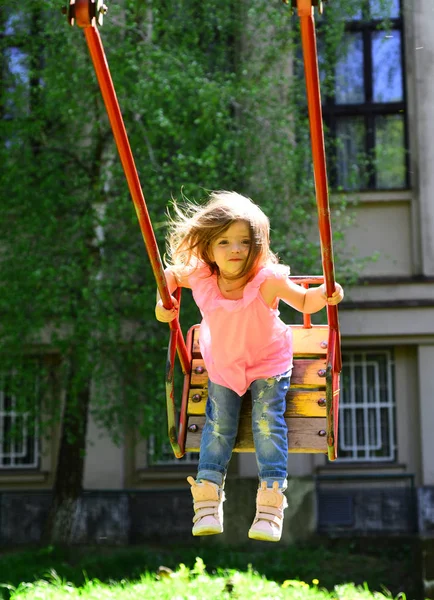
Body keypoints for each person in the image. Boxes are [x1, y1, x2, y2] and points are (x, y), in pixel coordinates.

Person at [155, 191, 344, 542]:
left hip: (267, 364)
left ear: (256, 245)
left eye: (244, 240)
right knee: (217, 426)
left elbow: (304, 300)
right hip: (224, 366)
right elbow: (168, 274)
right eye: (224, 241)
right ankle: (208, 502)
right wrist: (161, 305)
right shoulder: (200, 277)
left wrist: (327, 292)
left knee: (265, 422)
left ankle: (271, 505)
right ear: (208, 247)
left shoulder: (266, 280)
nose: (235, 249)